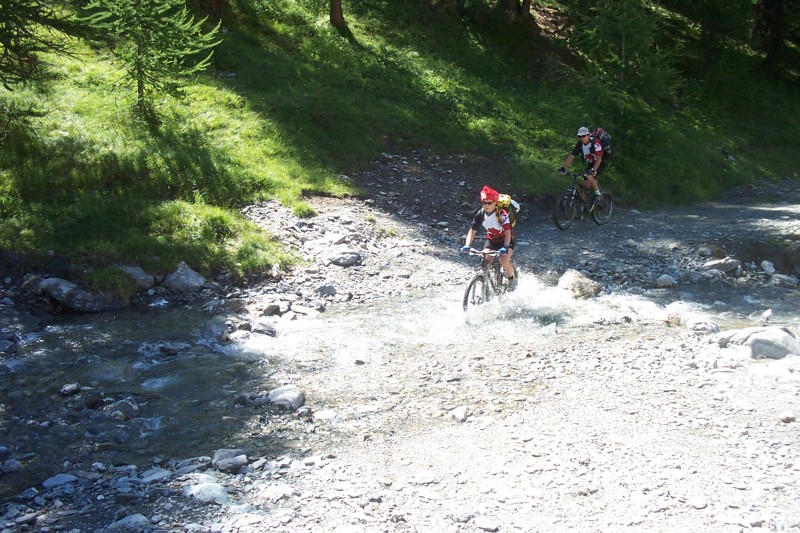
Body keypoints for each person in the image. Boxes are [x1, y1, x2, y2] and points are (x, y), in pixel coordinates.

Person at [460, 185, 517, 290]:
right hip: (492, 239)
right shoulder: (481, 213)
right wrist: (467, 245)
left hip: (506, 240)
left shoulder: (502, 214)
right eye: (484, 202)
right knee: (486, 260)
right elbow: (472, 230)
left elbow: (508, 232)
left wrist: (505, 246)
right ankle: (485, 283)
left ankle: (511, 279)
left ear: (495, 203)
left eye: (489, 203)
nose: (486, 205)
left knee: (503, 260)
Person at [559, 126, 605, 204]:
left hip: (600, 162)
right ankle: (585, 205)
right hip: (591, 162)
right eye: (579, 136)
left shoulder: (595, 143)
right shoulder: (580, 144)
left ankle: (598, 193)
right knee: (585, 185)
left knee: (589, 175)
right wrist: (564, 167)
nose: (582, 138)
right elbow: (572, 155)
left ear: (588, 135)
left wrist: (593, 169)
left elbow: (599, 159)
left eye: (584, 136)